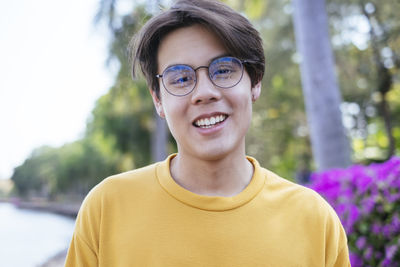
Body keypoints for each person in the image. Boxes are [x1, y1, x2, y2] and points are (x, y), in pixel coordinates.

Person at [65, 0, 351, 266]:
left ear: (255, 82)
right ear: (158, 99)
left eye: (224, 70)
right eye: (180, 78)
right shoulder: (107, 208)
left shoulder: (313, 219)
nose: (204, 93)